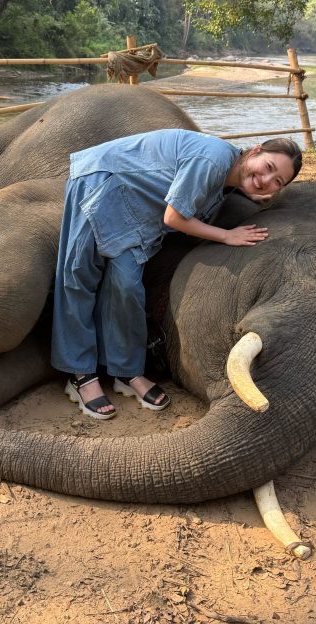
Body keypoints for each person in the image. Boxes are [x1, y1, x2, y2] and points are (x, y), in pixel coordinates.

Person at [52, 130, 302, 420]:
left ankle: (126, 371)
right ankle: (80, 374)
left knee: (127, 285)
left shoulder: (227, 182)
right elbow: (174, 218)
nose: (266, 180)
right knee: (79, 274)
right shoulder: (213, 159)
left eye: (277, 181)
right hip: (102, 181)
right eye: (268, 167)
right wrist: (226, 235)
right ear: (255, 150)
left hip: (139, 206)